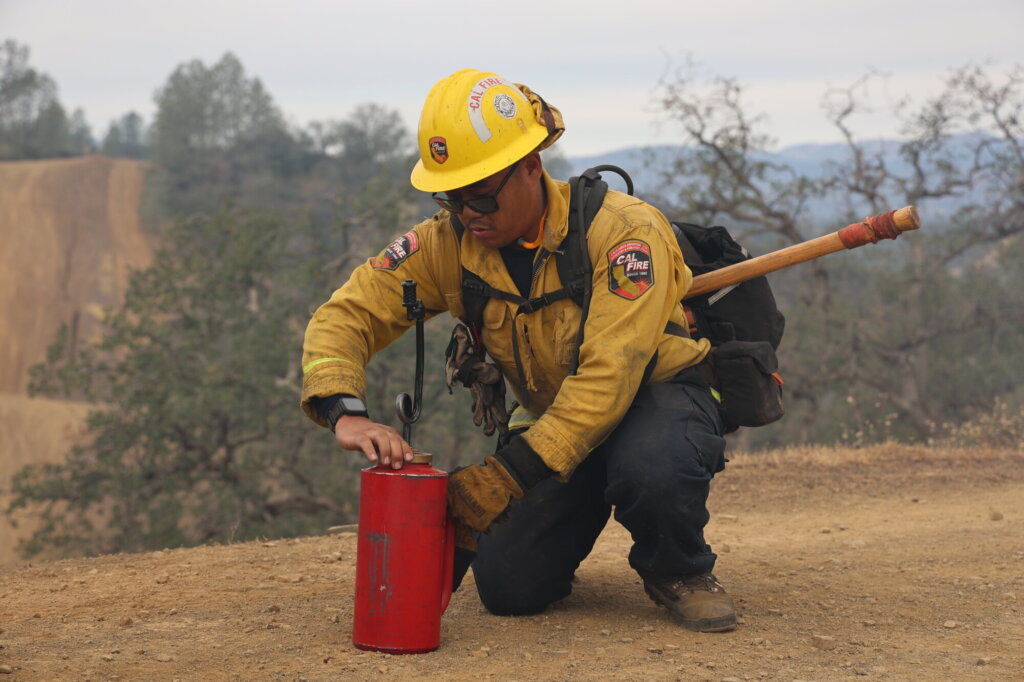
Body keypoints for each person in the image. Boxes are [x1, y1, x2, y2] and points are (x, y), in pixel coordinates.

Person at [300, 68, 736, 632]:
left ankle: (680, 569)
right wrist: (343, 410)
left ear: (531, 166)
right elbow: (346, 313)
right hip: (557, 419)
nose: (467, 214)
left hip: (654, 399)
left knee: (652, 466)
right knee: (509, 587)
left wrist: (507, 474)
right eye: (451, 197)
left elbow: (610, 379)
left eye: (480, 195)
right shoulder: (444, 244)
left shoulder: (626, 234)